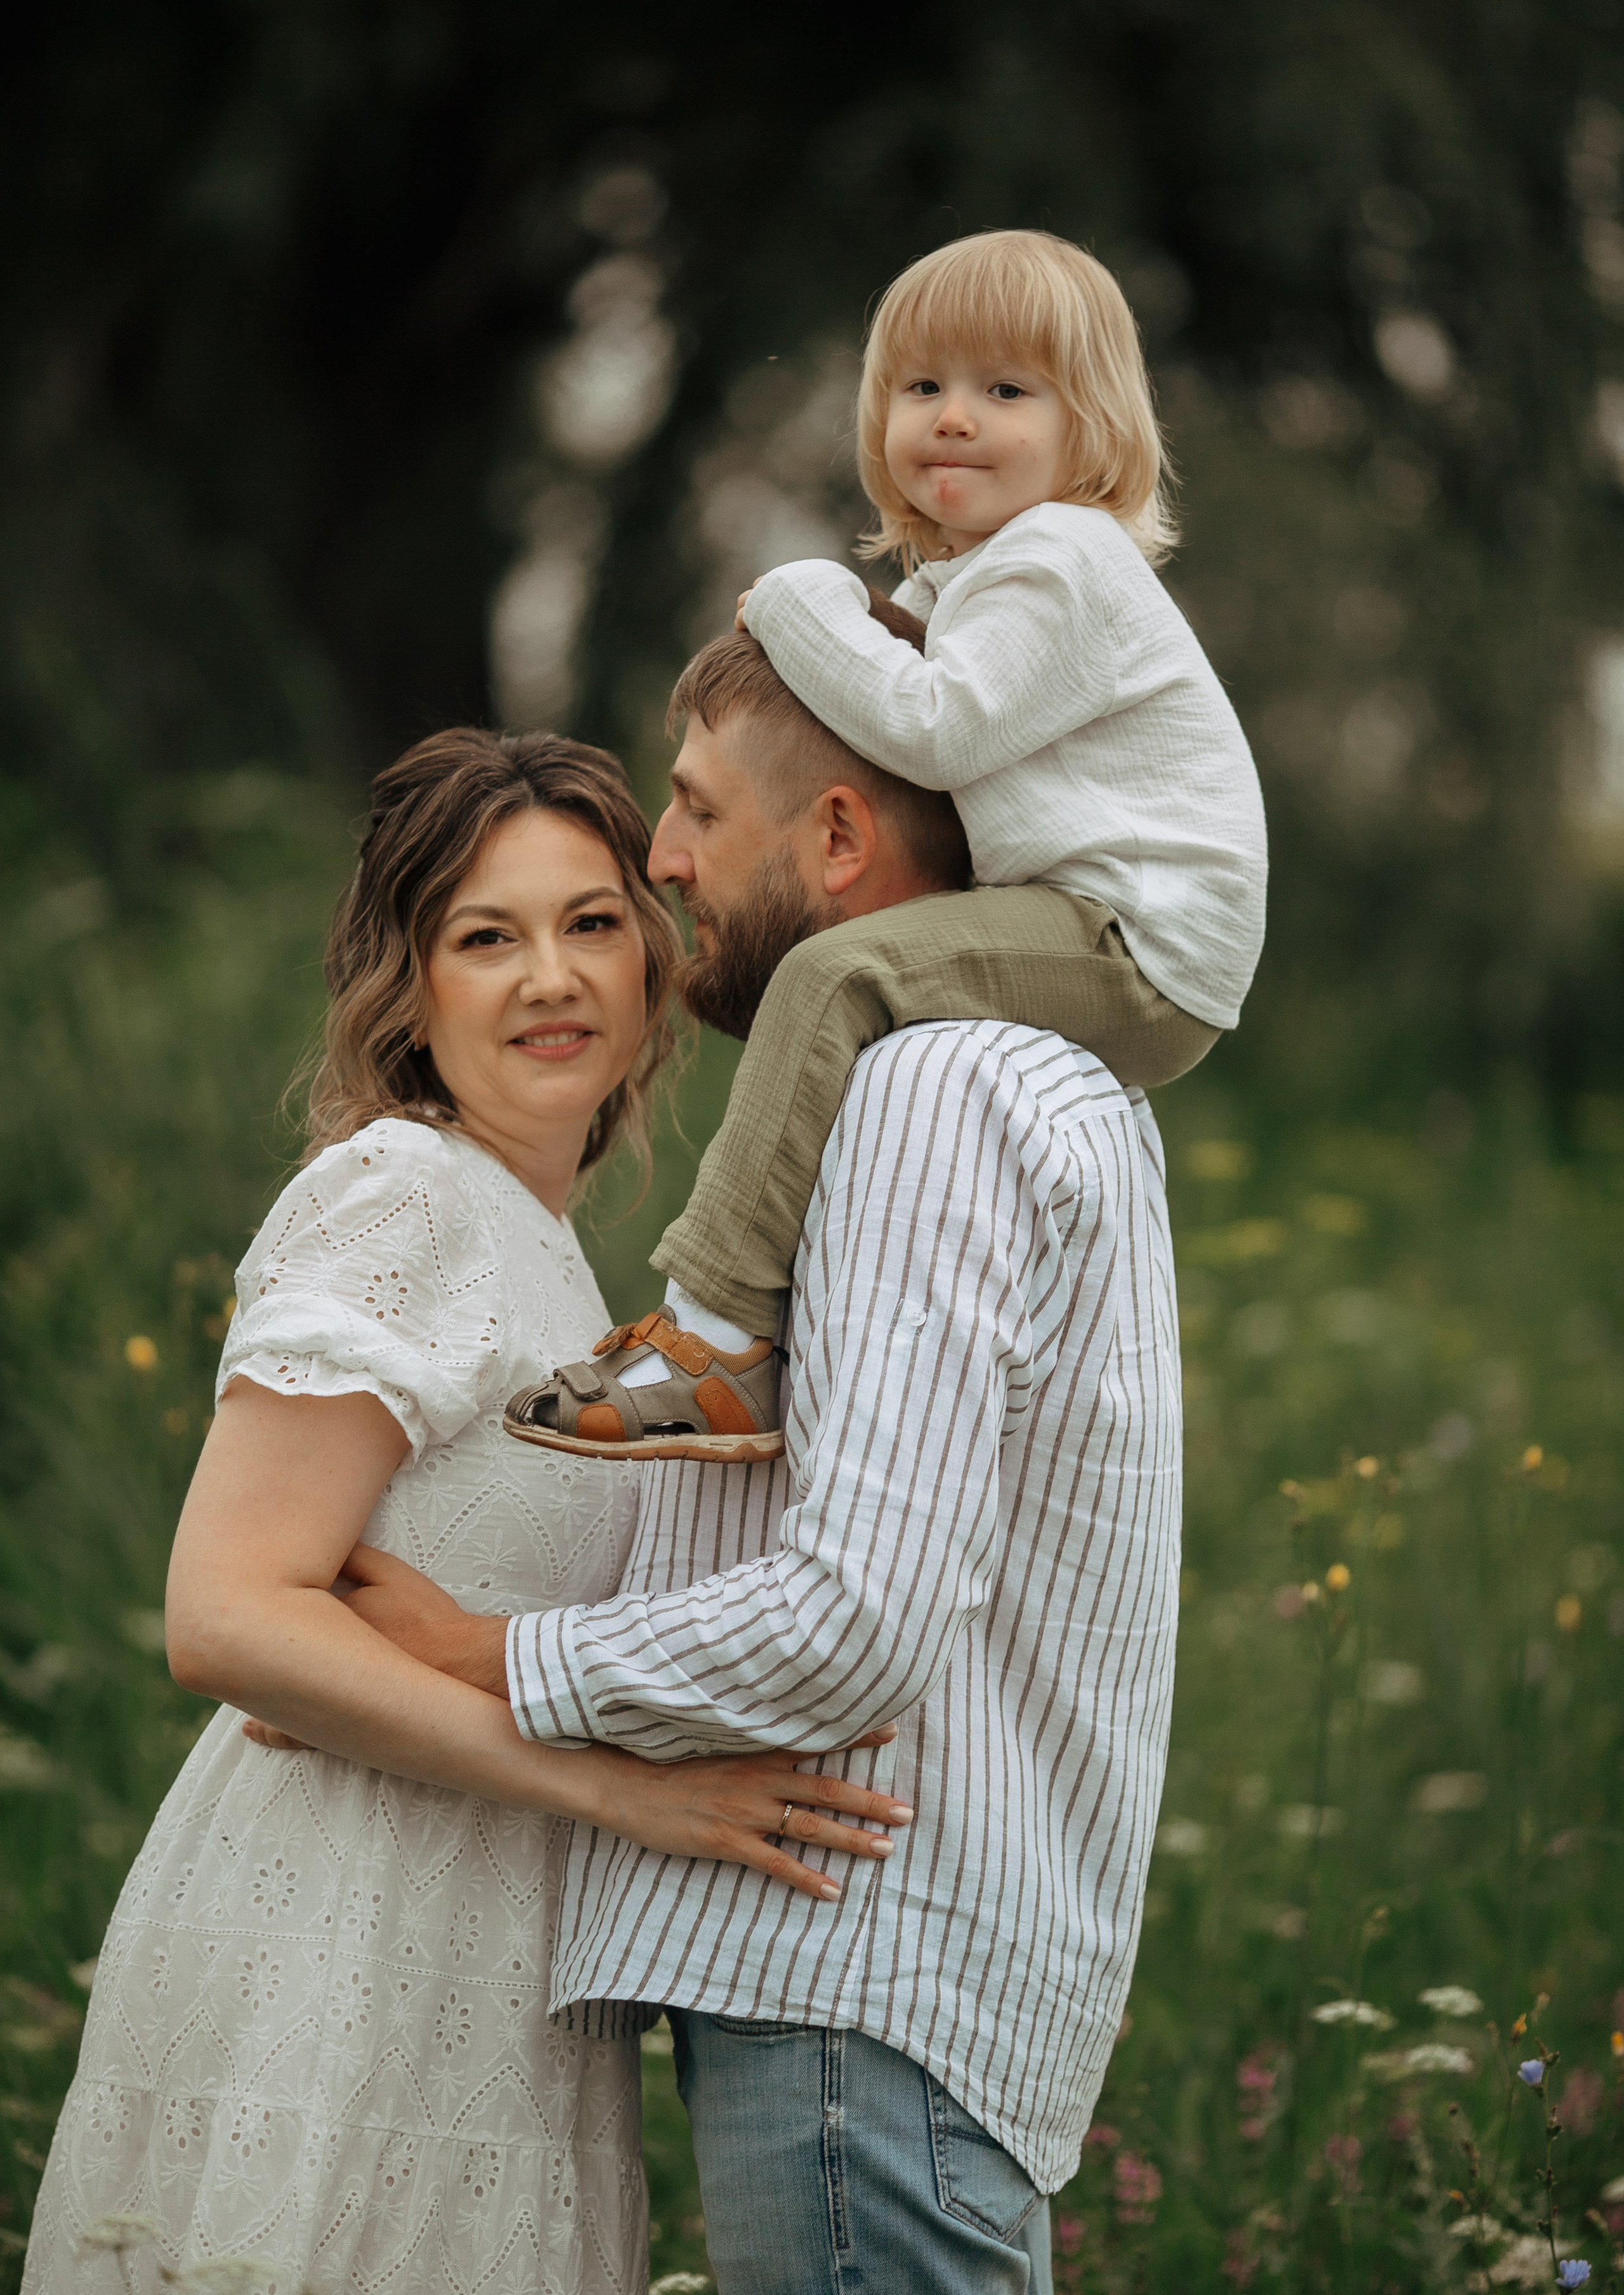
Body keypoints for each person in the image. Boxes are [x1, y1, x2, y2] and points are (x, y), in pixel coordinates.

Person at [336, 632, 1186, 2294]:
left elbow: (851, 1615)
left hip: (856, 1989)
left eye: (697, 809)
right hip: (881, 2001)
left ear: (843, 841)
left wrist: (481, 1657)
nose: (661, 861)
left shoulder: (930, 1086)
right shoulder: (1029, 1082)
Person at [23, 731, 903, 2295]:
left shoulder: (548, 1252)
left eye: (588, 922)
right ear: (409, 987)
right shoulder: (404, 1195)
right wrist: (625, 1793)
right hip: (335, 1939)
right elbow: (227, 1611)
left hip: (493, 1954)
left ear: (648, 953)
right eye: (486, 938)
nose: (551, 977)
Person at [511, 227, 1265, 1463]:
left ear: (1091, 430)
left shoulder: (1062, 559)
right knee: (855, 976)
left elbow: (933, 724)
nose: (953, 419)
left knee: (832, 971)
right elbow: (871, 680)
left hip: (1139, 934)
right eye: (923, 388)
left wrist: (799, 590)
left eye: (1004, 390)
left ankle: (718, 1335)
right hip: (1100, 918)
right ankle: (760, 1318)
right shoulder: (974, 579)